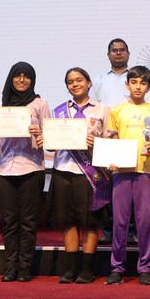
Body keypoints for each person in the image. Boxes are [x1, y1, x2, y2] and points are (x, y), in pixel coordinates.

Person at [0, 62, 50, 282]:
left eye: (26, 76)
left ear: (32, 80)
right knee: (9, 221)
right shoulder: (1, 106)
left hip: (31, 168)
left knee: (28, 222)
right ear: (11, 78)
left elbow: (50, 140)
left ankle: (25, 268)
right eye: (18, 76)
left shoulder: (40, 104)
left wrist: (39, 133)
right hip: (5, 170)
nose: (22, 80)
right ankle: (11, 267)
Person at [47, 67, 111, 284]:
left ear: (89, 83)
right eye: (70, 82)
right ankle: (70, 269)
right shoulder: (58, 111)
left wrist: (97, 144)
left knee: (89, 223)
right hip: (63, 170)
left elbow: (111, 142)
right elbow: (51, 146)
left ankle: (87, 270)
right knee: (68, 222)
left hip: (90, 174)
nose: (75, 84)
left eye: (79, 80)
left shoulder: (102, 110)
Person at [104, 66, 150, 285]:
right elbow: (113, 139)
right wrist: (112, 157)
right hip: (122, 171)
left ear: (148, 86)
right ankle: (117, 268)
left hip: (145, 170)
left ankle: (145, 268)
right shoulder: (117, 111)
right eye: (134, 82)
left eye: (143, 83)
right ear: (127, 84)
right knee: (120, 222)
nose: (138, 87)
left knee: (145, 222)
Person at [92, 38, 137, 247]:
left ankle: (131, 232)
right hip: (108, 139)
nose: (118, 53)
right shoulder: (99, 80)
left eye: (122, 50)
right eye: (114, 50)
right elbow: (94, 109)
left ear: (128, 53)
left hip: (131, 139)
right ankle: (109, 230)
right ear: (108, 54)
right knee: (110, 188)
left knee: (131, 188)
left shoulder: (136, 78)